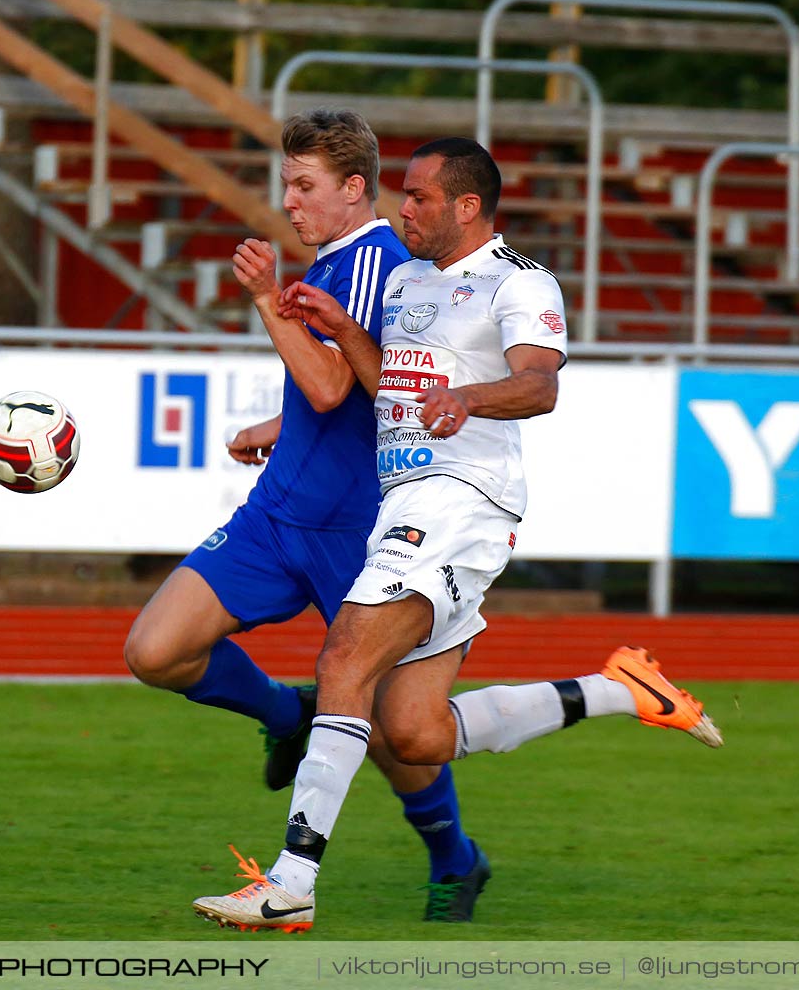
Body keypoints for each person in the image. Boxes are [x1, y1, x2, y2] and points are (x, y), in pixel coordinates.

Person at [192, 136, 722, 933]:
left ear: (467, 207)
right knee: (413, 732)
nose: (404, 210)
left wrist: (469, 399)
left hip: (463, 501)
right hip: (409, 497)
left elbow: (540, 385)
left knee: (343, 657)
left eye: (420, 199)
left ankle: (291, 883)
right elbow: (385, 388)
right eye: (403, 195)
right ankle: (620, 690)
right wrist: (342, 327)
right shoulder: (406, 278)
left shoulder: (520, 281)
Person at [124, 109, 493, 926]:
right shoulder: (334, 260)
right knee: (156, 650)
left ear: (353, 189)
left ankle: (455, 860)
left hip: (360, 536)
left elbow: (333, 383)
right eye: (285, 185)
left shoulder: (381, 262)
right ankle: (284, 713)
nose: (288, 202)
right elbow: (343, 394)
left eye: (304, 187)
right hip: (279, 514)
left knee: (401, 736)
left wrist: (263, 300)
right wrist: (277, 428)